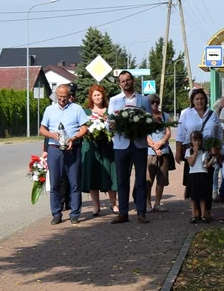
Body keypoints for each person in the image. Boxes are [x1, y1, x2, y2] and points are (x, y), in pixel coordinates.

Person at [39, 84, 89, 225]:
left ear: (69, 96)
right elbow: (42, 130)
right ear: (56, 95)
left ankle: (75, 213)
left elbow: (84, 128)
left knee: (74, 183)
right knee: (54, 183)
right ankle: (56, 213)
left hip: (72, 149)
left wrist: (74, 138)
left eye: (65, 97)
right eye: (60, 97)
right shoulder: (49, 109)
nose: (62, 99)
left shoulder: (77, 109)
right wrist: (51, 135)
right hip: (54, 149)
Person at [108, 70, 151, 224]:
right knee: (122, 180)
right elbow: (109, 124)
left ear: (132, 81)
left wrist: (142, 125)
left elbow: (149, 121)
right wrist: (112, 125)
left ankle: (141, 212)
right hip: (121, 144)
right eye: (123, 81)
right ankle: (123, 213)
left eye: (128, 80)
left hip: (139, 144)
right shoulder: (114, 100)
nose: (126, 83)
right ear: (119, 84)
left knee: (140, 179)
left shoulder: (143, 100)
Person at [176, 88, 220, 223]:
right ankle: (195, 213)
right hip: (192, 152)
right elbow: (180, 134)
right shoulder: (186, 114)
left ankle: (206, 211)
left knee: (207, 184)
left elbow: (219, 134)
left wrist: (217, 150)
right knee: (193, 184)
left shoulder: (212, 114)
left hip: (207, 153)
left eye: (202, 98)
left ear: (206, 100)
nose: (199, 101)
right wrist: (178, 152)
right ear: (192, 101)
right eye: (197, 99)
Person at [80, 84, 118, 218]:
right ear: (91, 97)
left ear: (103, 96)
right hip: (91, 147)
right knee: (93, 175)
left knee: (111, 175)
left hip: (106, 146)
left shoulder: (109, 111)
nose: (97, 97)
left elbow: (114, 128)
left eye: (99, 94)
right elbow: (81, 128)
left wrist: (111, 125)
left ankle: (114, 204)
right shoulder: (86, 112)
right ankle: (96, 206)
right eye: (94, 95)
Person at [145, 94, 171, 212]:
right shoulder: (145, 117)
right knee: (148, 179)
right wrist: (154, 146)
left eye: (156, 102)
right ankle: (147, 204)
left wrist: (161, 143)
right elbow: (144, 135)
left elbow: (168, 132)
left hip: (163, 150)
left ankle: (157, 203)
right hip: (150, 151)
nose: (155, 104)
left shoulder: (165, 116)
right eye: (152, 102)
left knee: (162, 178)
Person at [185, 130, 212, 224]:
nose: (197, 142)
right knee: (193, 196)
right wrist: (195, 152)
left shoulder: (204, 151)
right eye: (195, 140)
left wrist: (212, 160)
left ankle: (203, 215)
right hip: (193, 174)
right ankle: (193, 215)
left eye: (199, 140)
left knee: (202, 196)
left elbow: (206, 165)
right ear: (191, 141)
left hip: (202, 174)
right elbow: (191, 163)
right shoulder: (188, 151)